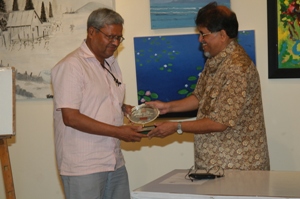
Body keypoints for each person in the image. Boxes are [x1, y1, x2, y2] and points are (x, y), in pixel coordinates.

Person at [146, 2, 270, 171]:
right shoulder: (215, 60)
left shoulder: (237, 68)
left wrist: (177, 126)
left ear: (222, 35)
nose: (200, 39)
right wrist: (167, 107)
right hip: (216, 166)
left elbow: (220, 122)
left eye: (204, 34)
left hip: (236, 168)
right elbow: (199, 97)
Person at [51, 8, 146, 199]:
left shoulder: (110, 63)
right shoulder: (71, 66)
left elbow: (99, 100)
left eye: (119, 38)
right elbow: (71, 118)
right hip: (84, 166)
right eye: (110, 37)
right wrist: (119, 131)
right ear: (91, 32)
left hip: (113, 161)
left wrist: (125, 109)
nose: (116, 43)